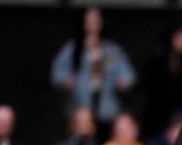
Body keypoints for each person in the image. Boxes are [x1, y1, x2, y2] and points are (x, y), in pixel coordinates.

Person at [50, 8, 136, 138]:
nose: (93, 25)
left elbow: (129, 75)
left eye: (96, 21)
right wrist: (66, 81)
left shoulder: (112, 50)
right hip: (80, 108)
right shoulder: (73, 49)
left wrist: (123, 82)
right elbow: (57, 75)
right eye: (89, 21)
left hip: (107, 109)